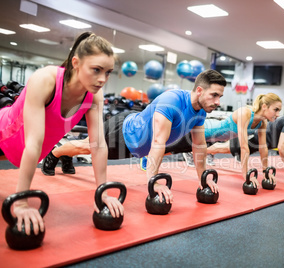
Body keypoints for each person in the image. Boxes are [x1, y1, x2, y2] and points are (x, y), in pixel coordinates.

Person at [0, 32, 124, 235]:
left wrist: (103, 193)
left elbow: (98, 144)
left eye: (108, 72)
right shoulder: (45, 80)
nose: (102, 79)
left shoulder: (94, 95)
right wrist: (21, 203)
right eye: (96, 70)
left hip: (25, 152)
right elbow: (33, 142)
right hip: (3, 137)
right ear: (76, 63)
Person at [41, 69, 227, 204]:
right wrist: (153, 182)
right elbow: (157, 142)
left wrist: (204, 179)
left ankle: (64, 154)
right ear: (200, 91)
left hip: (140, 146)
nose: (218, 102)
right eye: (214, 95)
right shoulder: (172, 101)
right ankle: (56, 153)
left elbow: (199, 146)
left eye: (220, 96)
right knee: (85, 147)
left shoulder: (200, 112)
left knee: (85, 147)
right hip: (123, 134)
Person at [178, 93, 282, 188]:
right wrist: (246, 174)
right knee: (167, 150)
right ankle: (190, 152)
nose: (278, 114)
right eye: (276, 109)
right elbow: (244, 147)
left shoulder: (262, 123)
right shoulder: (245, 113)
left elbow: (263, 148)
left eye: (279, 111)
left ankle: (195, 152)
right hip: (206, 130)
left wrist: (265, 171)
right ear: (264, 106)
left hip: (215, 138)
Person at [211, 108, 284, 179]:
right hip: (254, 137)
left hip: (263, 145)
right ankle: (199, 151)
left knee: (225, 149)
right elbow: (282, 148)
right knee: (223, 148)